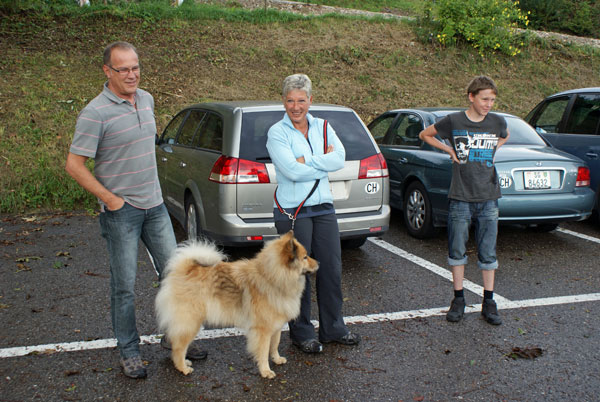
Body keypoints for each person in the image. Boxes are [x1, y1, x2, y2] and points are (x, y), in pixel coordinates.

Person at [65, 41, 206, 378]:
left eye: (135, 67)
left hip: (155, 207)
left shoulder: (146, 99)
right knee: (124, 285)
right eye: (123, 69)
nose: (132, 74)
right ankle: (128, 350)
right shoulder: (95, 112)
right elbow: (74, 164)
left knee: (175, 276)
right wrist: (111, 199)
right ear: (107, 71)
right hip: (121, 213)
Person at [266, 73, 360, 353]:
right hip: (293, 211)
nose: (296, 107)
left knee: (331, 268)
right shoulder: (277, 132)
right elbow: (291, 172)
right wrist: (322, 162)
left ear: (310, 100)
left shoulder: (324, 126)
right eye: (290, 101)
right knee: (298, 274)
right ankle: (302, 333)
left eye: (301, 100)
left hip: (323, 208)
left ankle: (333, 328)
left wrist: (306, 160)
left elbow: (339, 159)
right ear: (283, 101)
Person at [419, 75, 509, 326]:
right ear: (471, 97)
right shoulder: (454, 121)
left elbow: (505, 134)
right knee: (457, 250)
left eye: (492, 99)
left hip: (489, 196)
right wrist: (448, 150)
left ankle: (489, 302)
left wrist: (494, 149)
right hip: (460, 196)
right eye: (484, 99)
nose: (488, 104)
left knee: (488, 251)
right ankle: (458, 299)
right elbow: (425, 134)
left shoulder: (497, 121)